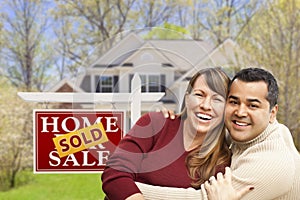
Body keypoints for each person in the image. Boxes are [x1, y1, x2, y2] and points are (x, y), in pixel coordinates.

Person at [136, 67, 300, 199]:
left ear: (272, 113)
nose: (240, 112)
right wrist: (171, 119)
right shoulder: (246, 136)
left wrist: (127, 189)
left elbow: (202, 198)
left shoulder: (271, 163)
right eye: (234, 102)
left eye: (253, 106)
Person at [101, 67, 232, 200]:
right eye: (199, 95)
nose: (206, 105)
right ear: (187, 99)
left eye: (217, 100)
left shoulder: (222, 161)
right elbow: (115, 171)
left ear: (226, 108)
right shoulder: (156, 124)